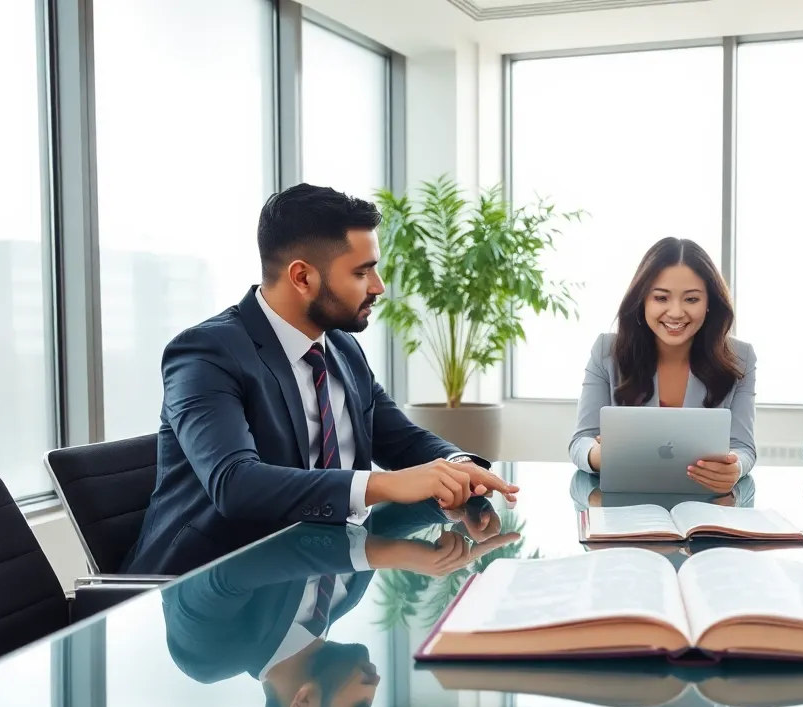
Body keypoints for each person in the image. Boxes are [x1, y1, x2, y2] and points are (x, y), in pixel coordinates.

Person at [125, 183, 517, 576]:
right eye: (362, 272)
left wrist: (457, 463)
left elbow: (401, 439)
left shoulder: (341, 349)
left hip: (321, 577)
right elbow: (236, 485)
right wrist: (382, 485)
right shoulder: (205, 353)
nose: (379, 287)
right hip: (212, 591)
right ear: (302, 277)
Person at [162, 501, 517, 707]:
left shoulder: (209, 656)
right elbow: (378, 528)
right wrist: (455, 511)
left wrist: (381, 554)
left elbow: (223, 575)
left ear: (303, 706)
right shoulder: (342, 602)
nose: (375, 684)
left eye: (361, 706)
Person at [568, 237, 757, 494]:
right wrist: (599, 456)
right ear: (642, 300)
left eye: (691, 299)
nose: (676, 312)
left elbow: (743, 447)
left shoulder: (741, 357)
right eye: (661, 298)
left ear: (710, 303)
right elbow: (581, 440)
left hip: (706, 507)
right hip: (623, 506)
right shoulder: (606, 352)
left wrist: (735, 469)